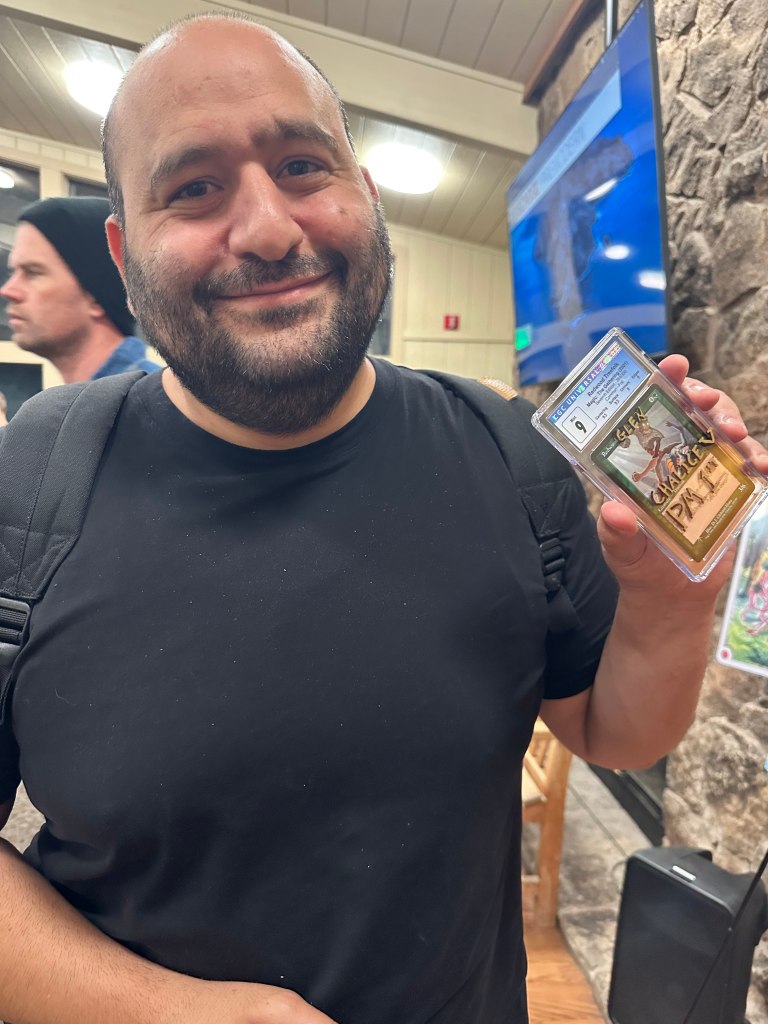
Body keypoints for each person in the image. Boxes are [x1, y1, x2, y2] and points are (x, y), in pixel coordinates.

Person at [0, 13, 766, 1024]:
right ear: (122, 249)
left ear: (364, 192)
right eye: (193, 187)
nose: (268, 229)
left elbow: (612, 732)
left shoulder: (509, 455)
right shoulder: (29, 484)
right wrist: (173, 1012)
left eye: (302, 165)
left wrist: (672, 596)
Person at [0, 196, 159, 382]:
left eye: (33, 273)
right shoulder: (94, 397)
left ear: (96, 297)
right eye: (13, 272)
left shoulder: (155, 398)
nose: (8, 291)